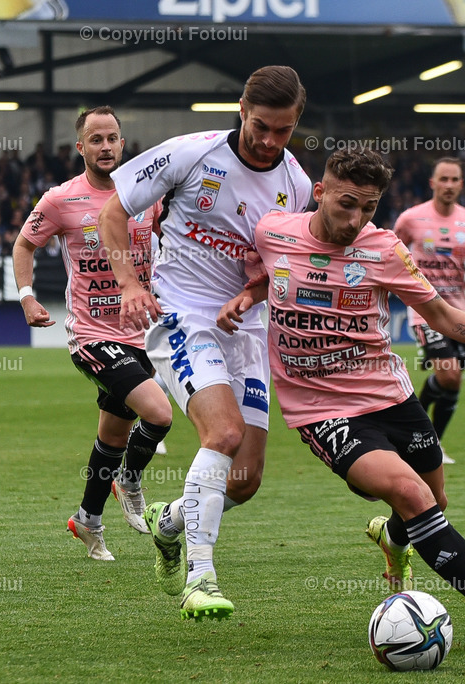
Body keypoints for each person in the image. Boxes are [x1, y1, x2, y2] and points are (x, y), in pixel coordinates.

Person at [216, 149, 465, 648]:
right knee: (411, 495)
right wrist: (247, 297)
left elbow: (443, 317)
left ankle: (393, 537)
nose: (355, 219)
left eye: (368, 207)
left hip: (391, 396)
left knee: (433, 503)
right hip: (322, 409)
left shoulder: (383, 249)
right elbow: (260, 271)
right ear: (320, 192)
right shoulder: (273, 230)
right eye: (346, 204)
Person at [98, 65, 311, 619]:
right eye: (260, 126)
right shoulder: (191, 153)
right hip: (183, 316)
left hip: (249, 329)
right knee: (223, 432)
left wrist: (259, 286)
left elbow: (289, 264)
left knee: (245, 480)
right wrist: (127, 283)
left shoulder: (298, 185)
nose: (268, 141)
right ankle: (201, 577)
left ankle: (170, 525)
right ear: (241, 109)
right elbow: (111, 212)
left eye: (282, 131)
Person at [12, 105, 172, 561]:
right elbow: (24, 244)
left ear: (123, 144)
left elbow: (173, 242)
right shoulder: (61, 199)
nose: (105, 146)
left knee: (113, 439)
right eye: (95, 139)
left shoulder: (147, 196)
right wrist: (27, 295)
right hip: (91, 335)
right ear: (80, 147)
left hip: (140, 334)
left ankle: (88, 519)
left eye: (112, 138)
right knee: (159, 414)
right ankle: (131, 479)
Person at [394, 157, 465, 464]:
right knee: (449, 373)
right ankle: (422, 437)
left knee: (454, 381)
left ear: (461, 184)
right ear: (433, 183)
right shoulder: (411, 218)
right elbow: (390, 251)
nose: (449, 185)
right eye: (444, 179)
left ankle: (431, 441)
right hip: (424, 308)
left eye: (455, 180)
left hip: (457, 311)